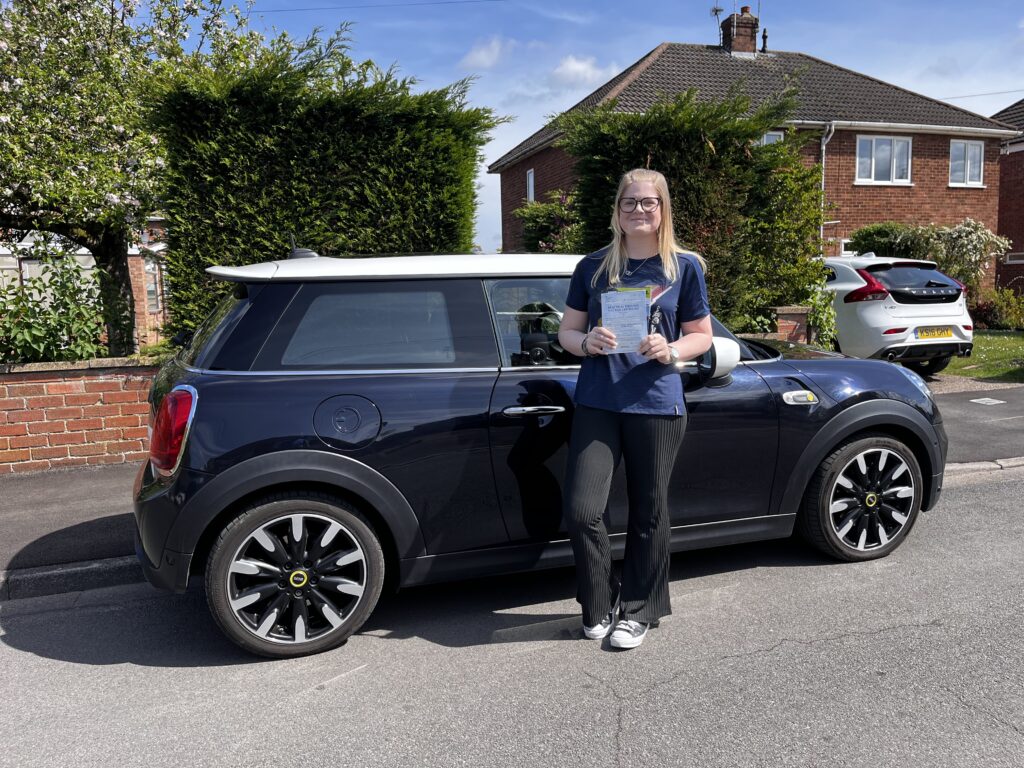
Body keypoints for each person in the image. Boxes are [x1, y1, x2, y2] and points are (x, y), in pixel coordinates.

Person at [557, 167, 713, 650]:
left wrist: (672, 349)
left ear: (663, 209)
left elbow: (702, 336)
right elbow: (566, 333)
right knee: (583, 509)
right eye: (630, 202)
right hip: (599, 401)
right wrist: (586, 341)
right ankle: (599, 603)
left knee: (649, 512)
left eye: (648, 202)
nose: (638, 210)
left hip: (657, 404)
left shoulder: (684, 267)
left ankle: (640, 609)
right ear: (617, 210)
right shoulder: (593, 267)